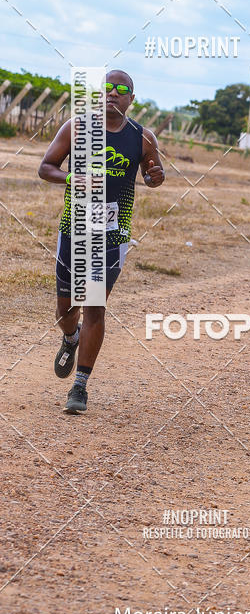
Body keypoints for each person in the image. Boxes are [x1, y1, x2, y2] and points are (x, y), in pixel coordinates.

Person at [38, 70, 165, 414]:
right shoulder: (77, 128)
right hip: (74, 230)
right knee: (66, 310)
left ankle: (80, 386)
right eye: (106, 88)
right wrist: (72, 178)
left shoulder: (142, 137)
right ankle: (70, 337)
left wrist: (156, 177)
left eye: (121, 89)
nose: (112, 93)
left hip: (112, 235)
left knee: (95, 307)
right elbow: (46, 167)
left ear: (131, 99)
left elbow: (154, 176)